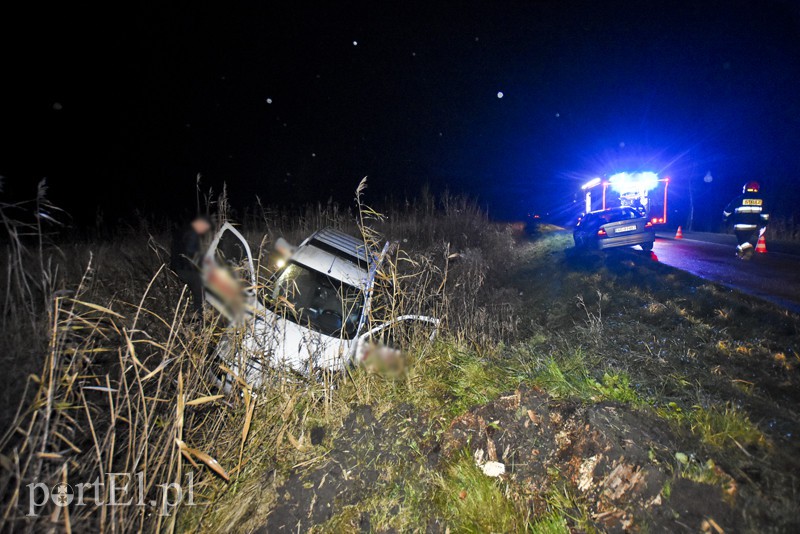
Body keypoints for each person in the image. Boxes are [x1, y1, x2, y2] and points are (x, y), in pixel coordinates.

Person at [170, 216, 213, 317]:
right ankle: (200, 320)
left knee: (197, 293)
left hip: (179, 268)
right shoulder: (193, 233)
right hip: (188, 269)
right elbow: (191, 253)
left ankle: (195, 315)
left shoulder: (181, 231)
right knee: (200, 295)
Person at [723, 181, 769, 260]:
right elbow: (765, 214)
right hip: (753, 226)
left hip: (740, 225)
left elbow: (727, 211)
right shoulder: (761, 200)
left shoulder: (740, 199)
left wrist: (725, 219)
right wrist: (764, 224)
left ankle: (749, 250)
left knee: (742, 241)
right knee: (744, 239)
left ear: (745, 189)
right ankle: (740, 253)